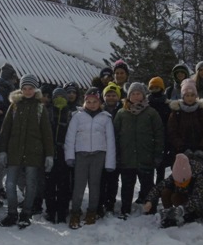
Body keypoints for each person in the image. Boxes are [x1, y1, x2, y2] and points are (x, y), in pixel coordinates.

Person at [0, 74, 55, 229]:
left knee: (31, 184)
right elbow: (5, 130)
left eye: (30, 88)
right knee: (10, 183)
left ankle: (26, 214)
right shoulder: (14, 106)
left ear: (35, 89)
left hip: (33, 152)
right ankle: (11, 213)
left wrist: (49, 154)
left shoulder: (39, 108)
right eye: (25, 88)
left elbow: (46, 133)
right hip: (14, 151)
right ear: (20, 89)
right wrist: (3, 150)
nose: (28, 91)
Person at [64, 87, 116, 228]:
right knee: (78, 186)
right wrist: (69, 156)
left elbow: (110, 141)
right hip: (81, 155)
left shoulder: (105, 118)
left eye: (95, 102)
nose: (92, 104)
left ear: (99, 102)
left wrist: (110, 162)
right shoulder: (77, 116)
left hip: (98, 156)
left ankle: (92, 211)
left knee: (95, 185)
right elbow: (70, 138)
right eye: (89, 101)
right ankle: (75, 212)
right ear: (85, 102)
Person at [114, 82, 164, 219]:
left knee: (148, 186)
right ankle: (125, 210)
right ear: (129, 96)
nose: (136, 96)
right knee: (127, 187)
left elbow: (159, 134)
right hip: (127, 158)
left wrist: (157, 154)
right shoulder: (121, 113)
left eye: (138, 93)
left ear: (143, 95)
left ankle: (150, 210)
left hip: (146, 157)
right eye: (133, 94)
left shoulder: (151, 113)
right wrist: (117, 155)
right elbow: (115, 136)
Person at [142, 153, 203, 228]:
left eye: (183, 183)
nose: (179, 185)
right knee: (165, 192)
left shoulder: (199, 178)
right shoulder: (177, 173)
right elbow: (159, 187)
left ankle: (184, 217)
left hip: (200, 207)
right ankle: (169, 215)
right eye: (177, 182)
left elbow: (197, 199)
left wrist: (182, 209)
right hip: (185, 198)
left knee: (175, 197)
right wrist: (149, 201)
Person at [167, 79, 203, 165]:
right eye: (187, 95)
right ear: (183, 96)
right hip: (181, 152)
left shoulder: (201, 111)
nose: (190, 98)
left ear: (196, 96)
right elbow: (172, 132)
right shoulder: (176, 112)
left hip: (198, 152)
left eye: (192, 95)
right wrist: (182, 148)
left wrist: (202, 147)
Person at [44, 87, 73, 224]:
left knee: (64, 185)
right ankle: (50, 211)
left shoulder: (70, 114)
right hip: (49, 152)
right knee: (49, 185)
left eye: (62, 97)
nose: (59, 100)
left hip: (64, 152)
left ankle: (62, 211)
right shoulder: (48, 112)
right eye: (56, 97)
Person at [98, 82, 123, 217]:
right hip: (102, 148)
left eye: (113, 95)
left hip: (118, 150)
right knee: (102, 179)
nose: (111, 97)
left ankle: (110, 203)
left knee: (113, 179)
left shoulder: (123, 110)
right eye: (108, 95)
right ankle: (101, 202)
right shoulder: (100, 111)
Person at [147, 77, 172, 183]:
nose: (155, 89)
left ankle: (158, 190)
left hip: (163, 138)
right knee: (149, 168)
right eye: (152, 87)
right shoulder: (147, 103)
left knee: (160, 168)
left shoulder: (167, 104)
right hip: (148, 137)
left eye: (157, 87)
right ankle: (149, 191)